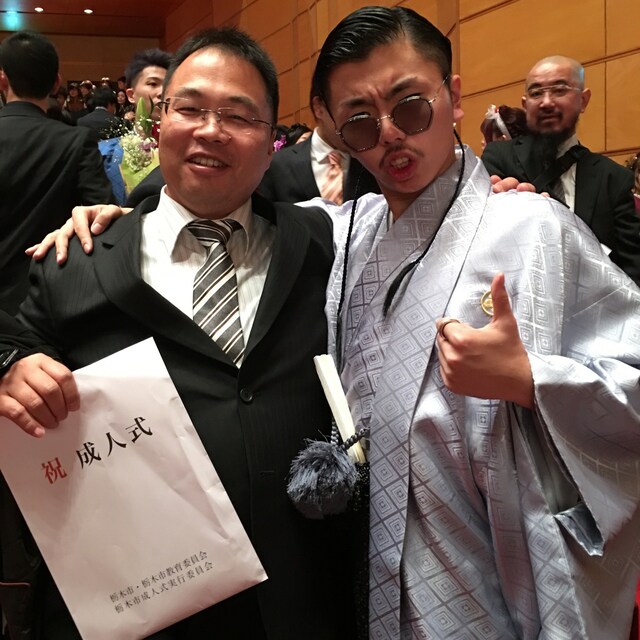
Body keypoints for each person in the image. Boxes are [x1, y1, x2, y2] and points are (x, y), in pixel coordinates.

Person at [12, 7, 640, 639]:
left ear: (452, 96)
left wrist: (533, 379)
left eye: (411, 108)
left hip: (494, 566)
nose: (389, 136)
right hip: (360, 579)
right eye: (360, 121)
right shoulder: (347, 233)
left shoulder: (536, 230)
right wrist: (121, 219)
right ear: (333, 130)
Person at [0, 26, 355, 640]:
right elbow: (17, 346)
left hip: (299, 595)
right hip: (136, 602)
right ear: (159, 121)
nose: (211, 130)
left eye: (238, 115)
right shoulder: (77, 260)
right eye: (190, 108)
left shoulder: (324, 244)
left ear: (272, 139)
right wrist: (11, 367)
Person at [482, 55, 640, 285]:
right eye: (536, 93)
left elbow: (633, 271)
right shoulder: (499, 157)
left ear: (583, 100)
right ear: (526, 105)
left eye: (559, 90)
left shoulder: (614, 179)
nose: (546, 102)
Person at [0, 30, 114, 315]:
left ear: (2, 79)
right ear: (56, 83)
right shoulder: (76, 140)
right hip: (49, 302)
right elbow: (102, 215)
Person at [258, 86, 380, 204]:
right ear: (319, 108)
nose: (357, 120)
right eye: (349, 108)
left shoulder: (371, 161)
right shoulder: (276, 166)